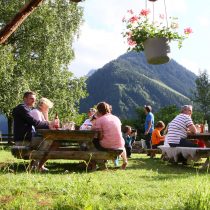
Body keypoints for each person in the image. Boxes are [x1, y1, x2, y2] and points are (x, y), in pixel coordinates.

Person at [91, 102, 128, 169]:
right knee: (121, 142)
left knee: (94, 141)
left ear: (98, 111)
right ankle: (125, 160)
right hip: (120, 144)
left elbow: (100, 136)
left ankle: (98, 162)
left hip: (107, 144)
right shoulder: (116, 118)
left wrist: (95, 119)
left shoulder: (100, 120)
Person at [29, 97, 54, 171]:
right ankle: (39, 165)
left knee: (50, 142)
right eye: (47, 106)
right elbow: (40, 127)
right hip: (34, 135)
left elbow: (46, 123)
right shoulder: (36, 112)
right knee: (49, 143)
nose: (48, 108)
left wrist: (46, 114)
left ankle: (37, 164)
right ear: (42, 105)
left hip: (36, 134)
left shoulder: (39, 112)